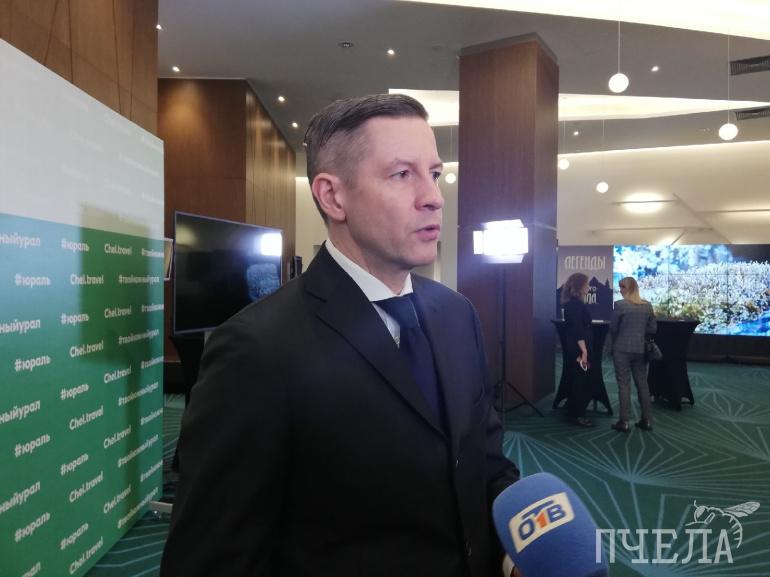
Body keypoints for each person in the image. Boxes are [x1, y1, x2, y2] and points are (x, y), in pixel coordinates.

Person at [159, 94, 520, 577]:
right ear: (332, 196)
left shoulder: (458, 315)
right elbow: (211, 560)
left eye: (434, 173)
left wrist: (512, 553)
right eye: (402, 174)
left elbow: (487, 463)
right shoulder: (256, 349)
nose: (433, 196)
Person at [609, 276, 657, 432]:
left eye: (622, 287)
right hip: (640, 349)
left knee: (624, 384)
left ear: (628, 288)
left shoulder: (620, 305)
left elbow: (613, 328)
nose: (620, 290)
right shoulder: (647, 306)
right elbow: (653, 329)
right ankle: (647, 420)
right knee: (642, 384)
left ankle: (624, 421)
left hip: (621, 349)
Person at [560, 272, 594, 427]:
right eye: (586, 284)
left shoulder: (572, 303)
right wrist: (584, 351)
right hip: (579, 347)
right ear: (580, 286)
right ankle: (577, 414)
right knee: (581, 380)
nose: (589, 287)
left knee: (578, 377)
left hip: (575, 345)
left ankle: (573, 410)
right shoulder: (576, 305)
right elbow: (577, 329)